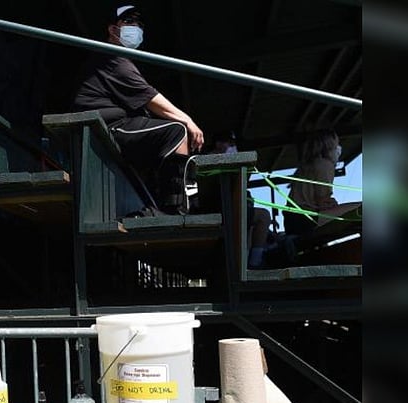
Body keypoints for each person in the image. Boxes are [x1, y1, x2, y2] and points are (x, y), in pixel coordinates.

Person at [71, 5, 204, 215]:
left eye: (139, 24)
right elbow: (153, 100)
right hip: (101, 130)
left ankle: (160, 206)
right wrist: (188, 120)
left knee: (159, 135)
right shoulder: (112, 58)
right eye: (129, 21)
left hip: (110, 127)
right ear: (113, 30)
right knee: (176, 131)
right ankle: (175, 210)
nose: (136, 27)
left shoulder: (119, 59)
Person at [210, 131, 274, 268]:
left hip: (227, 209)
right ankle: (255, 263)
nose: (233, 147)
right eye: (230, 143)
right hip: (223, 210)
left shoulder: (216, 161)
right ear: (218, 144)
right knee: (264, 216)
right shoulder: (214, 160)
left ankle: (250, 259)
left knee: (252, 221)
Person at [284, 129, 357, 236]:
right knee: (361, 209)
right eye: (337, 143)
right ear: (329, 146)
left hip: (292, 221)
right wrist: (331, 203)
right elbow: (323, 202)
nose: (339, 147)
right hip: (306, 220)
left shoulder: (309, 165)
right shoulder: (325, 165)